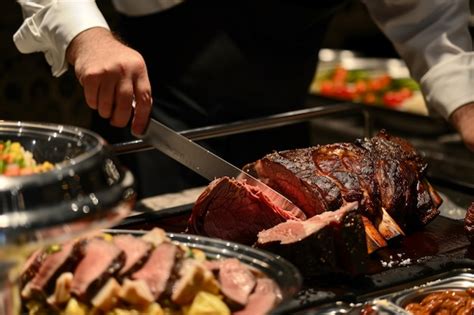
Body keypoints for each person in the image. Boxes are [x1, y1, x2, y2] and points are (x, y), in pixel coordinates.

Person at [13, 0, 474, 196]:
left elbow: (427, 18)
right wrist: (86, 35)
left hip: (293, 148)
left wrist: (466, 103)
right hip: (160, 129)